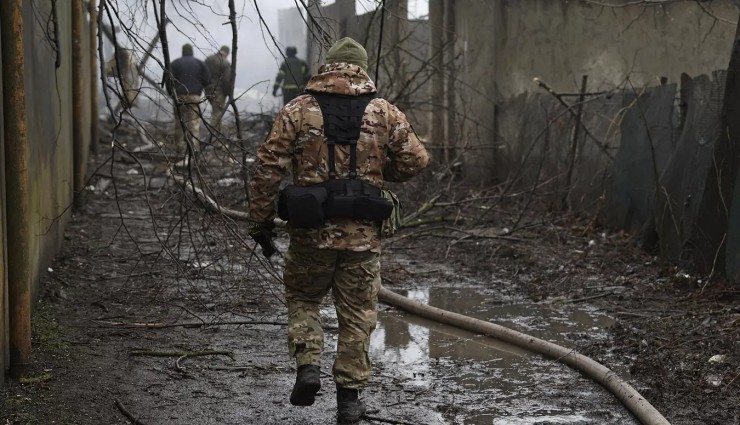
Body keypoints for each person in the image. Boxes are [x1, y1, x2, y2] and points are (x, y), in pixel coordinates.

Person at [248, 37, 429, 424]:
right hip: (362, 238)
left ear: (328, 66)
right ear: (362, 68)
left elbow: (268, 167)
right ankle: (349, 400)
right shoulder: (384, 112)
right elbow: (417, 160)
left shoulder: (298, 109)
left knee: (302, 297)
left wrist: (260, 220)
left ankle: (308, 366)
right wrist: (380, 173)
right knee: (358, 315)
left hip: (310, 233)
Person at [169, 43, 211, 167]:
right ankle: (193, 149)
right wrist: (199, 87)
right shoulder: (200, 63)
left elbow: (168, 78)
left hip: (179, 96)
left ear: (182, 51)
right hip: (194, 96)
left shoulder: (175, 63)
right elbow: (208, 80)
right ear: (192, 51)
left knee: (179, 123)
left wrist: (171, 92)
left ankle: (180, 149)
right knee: (194, 123)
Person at [104, 48, 142, 115]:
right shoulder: (124, 57)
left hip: (128, 65)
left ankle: (128, 104)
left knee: (129, 87)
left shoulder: (127, 59)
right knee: (129, 87)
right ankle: (128, 104)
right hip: (128, 65)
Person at [205, 45, 232, 134]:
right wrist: (227, 93)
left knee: (215, 114)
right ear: (227, 53)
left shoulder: (208, 59)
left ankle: (213, 138)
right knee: (217, 116)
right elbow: (227, 80)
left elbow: (203, 74)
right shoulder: (225, 63)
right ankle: (214, 139)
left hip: (208, 90)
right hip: (219, 92)